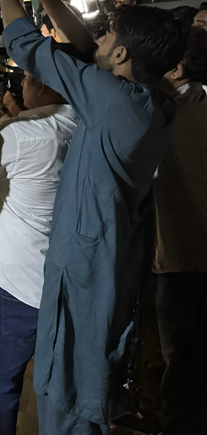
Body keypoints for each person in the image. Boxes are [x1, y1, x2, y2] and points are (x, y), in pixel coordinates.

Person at [0, 0, 189, 433]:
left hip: (85, 270)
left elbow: (30, 48)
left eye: (109, 35)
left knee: (70, 390)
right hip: (108, 258)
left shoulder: (113, 101)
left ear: (121, 56)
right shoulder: (150, 97)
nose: (98, 39)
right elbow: (85, 53)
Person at [0, 72, 79, 435]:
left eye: (26, 78)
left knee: (0, 385)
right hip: (65, 280)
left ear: (41, 87)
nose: (19, 84)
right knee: (59, 385)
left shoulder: (16, 133)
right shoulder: (82, 121)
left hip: (15, 284)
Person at [152, 25, 207, 434]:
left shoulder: (165, 116)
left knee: (182, 373)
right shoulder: (199, 102)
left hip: (180, 260)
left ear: (175, 69)